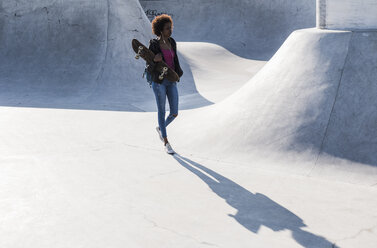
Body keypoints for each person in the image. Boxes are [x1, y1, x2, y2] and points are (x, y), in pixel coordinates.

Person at [148, 14, 183, 154]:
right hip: (159, 82)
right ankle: (166, 142)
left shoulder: (172, 42)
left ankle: (160, 128)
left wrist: (178, 74)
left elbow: (175, 61)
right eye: (168, 28)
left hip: (171, 81)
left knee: (174, 112)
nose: (170, 30)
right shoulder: (154, 44)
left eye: (171, 27)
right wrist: (154, 60)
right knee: (161, 111)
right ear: (160, 30)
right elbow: (148, 64)